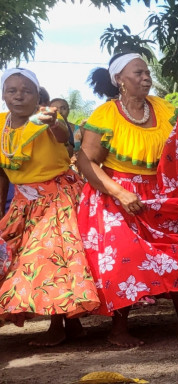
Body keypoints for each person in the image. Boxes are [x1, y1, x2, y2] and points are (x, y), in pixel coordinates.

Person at [76, 52, 178, 347]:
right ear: (119, 80)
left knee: (176, 250)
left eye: (147, 73)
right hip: (118, 194)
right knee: (124, 258)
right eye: (138, 73)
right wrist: (119, 192)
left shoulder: (163, 108)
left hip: (158, 194)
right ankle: (119, 328)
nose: (146, 78)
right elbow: (86, 161)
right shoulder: (104, 115)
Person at [0, 68, 99, 345]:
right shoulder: (0, 126)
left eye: (26, 91)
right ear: (3, 95)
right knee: (14, 258)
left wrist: (52, 121)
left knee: (51, 257)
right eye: (12, 90)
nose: (19, 96)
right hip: (23, 202)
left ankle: (57, 327)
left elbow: (60, 135)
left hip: (58, 197)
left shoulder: (47, 120)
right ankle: (74, 324)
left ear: (37, 96)